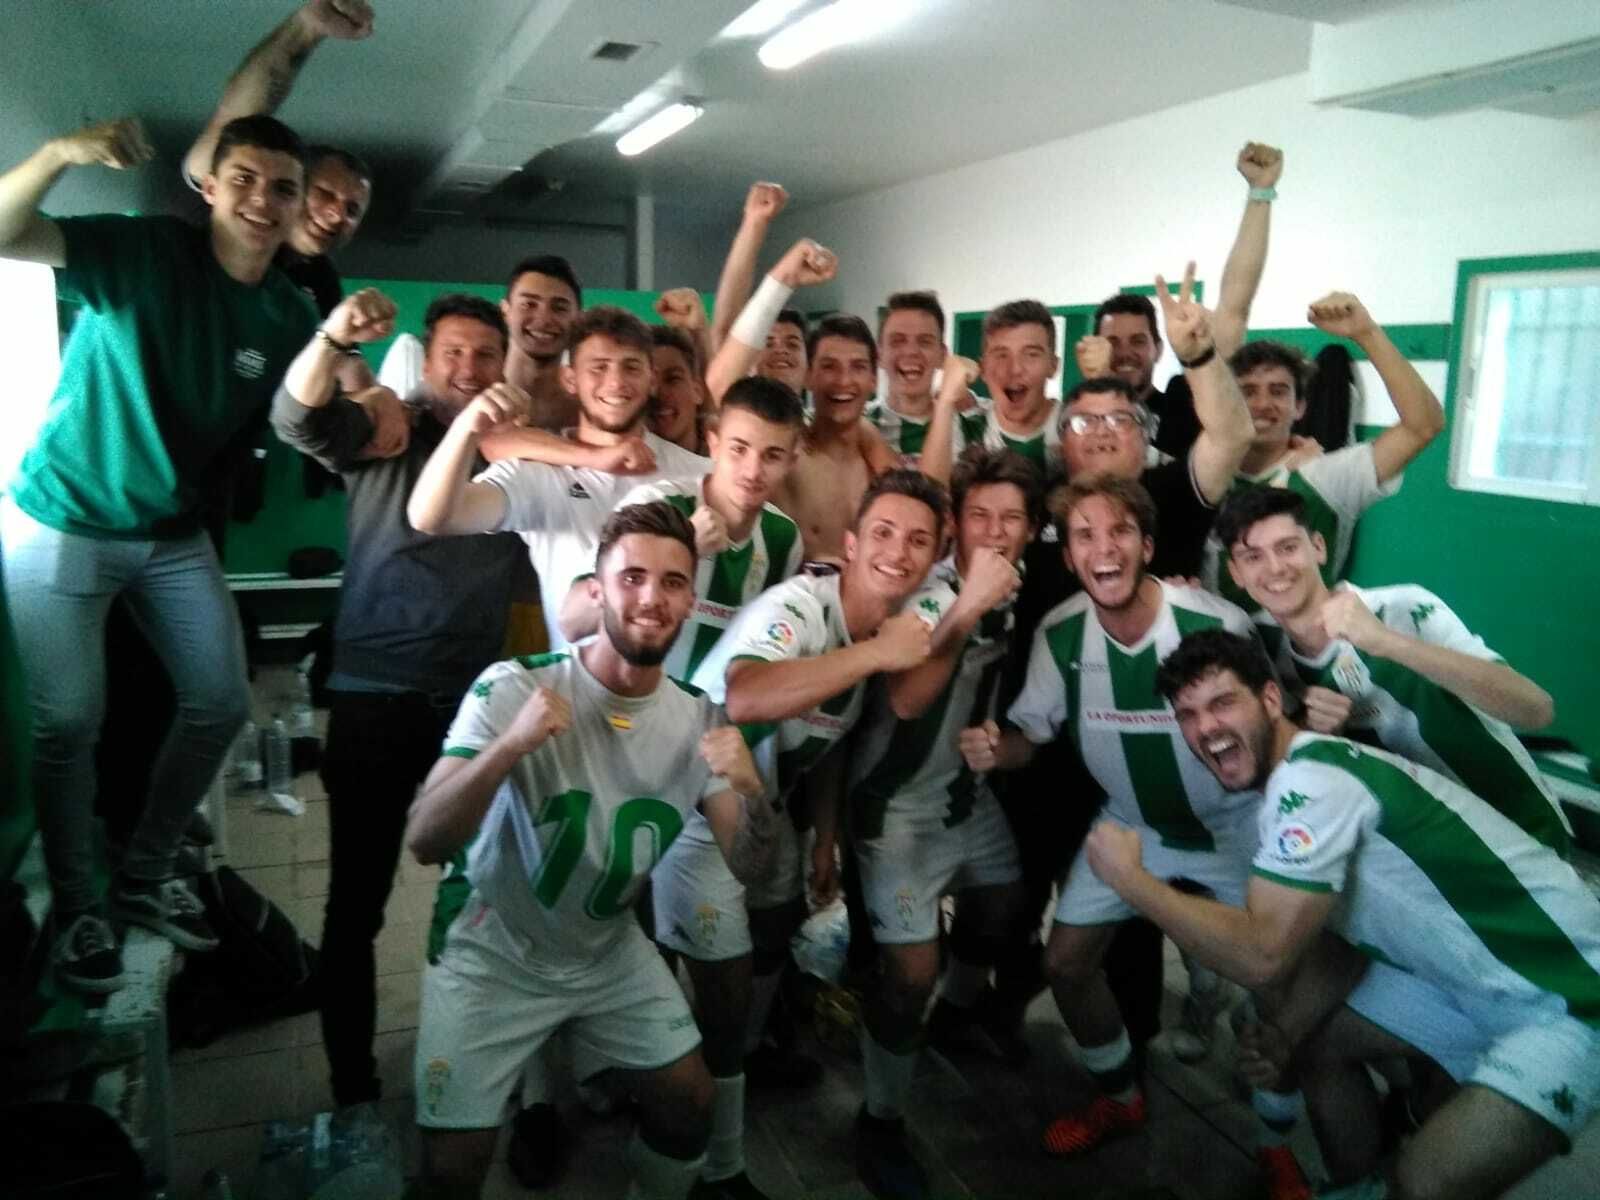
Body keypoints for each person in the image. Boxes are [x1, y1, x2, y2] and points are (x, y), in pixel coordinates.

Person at [1084, 628, 1600, 1200]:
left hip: (1572, 998)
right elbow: (1339, 948)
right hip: (1474, 989)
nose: (1206, 727)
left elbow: (1263, 952)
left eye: (1222, 702)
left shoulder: (1314, 782)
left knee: (1424, 1184)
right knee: (1315, 1042)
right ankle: (1355, 1186)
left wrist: (1132, 881)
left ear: (1272, 700)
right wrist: (1282, 1036)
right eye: (1187, 714)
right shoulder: (1297, 785)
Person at [0, 114, 318, 993]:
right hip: (62, 517)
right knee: (67, 722)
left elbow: (303, 417)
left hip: (170, 534)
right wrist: (58, 151)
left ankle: (144, 873)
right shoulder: (141, 255)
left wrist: (350, 372)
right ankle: (77, 912)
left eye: (282, 187)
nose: (263, 198)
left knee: (220, 702)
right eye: (244, 178)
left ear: (297, 209)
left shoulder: (287, 313)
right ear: (209, 185)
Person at [407, 501, 770, 1200]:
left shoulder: (700, 718)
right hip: (493, 948)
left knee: (691, 1102)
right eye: (631, 577)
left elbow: (754, 866)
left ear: (691, 600)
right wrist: (509, 747)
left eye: (671, 582)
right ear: (595, 590)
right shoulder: (513, 685)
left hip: (604, 950)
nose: (650, 598)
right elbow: (425, 840)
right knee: (448, 1174)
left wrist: (754, 794)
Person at [981, 270, 1255, 1064]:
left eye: (1117, 418)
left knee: (1135, 919)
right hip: (1046, 734)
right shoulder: (1033, 500)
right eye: (1082, 420)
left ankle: (1135, 1049)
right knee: (1021, 892)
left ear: (1145, 432)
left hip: (1150, 749)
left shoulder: (1174, 489)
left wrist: (1200, 356)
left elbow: (1229, 438)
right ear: (1060, 442)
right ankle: (1000, 1017)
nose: (1099, 430)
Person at [273, 287, 536, 1106]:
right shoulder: (386, 429)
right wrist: (333, 342)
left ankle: (505, 1072)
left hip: (474, 699)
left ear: (507, 364)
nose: (468, 368)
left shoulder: (522, 455)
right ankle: (351, 1080)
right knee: (358, 901)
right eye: (452, 352)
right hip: (373, 693)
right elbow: (293, 419)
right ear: (426, 359)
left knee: (500, 890)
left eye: (485, 354)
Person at [651, 471, 946, 1199]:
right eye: (882, 533)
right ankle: (718, 1167)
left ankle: (742, 1057)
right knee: (720, 985)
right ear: (849, 545)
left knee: (777, 928)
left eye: (918, 542)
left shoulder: (875, 629)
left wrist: (824, 842)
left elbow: (832, 734)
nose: (897, 554)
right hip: (695, 799)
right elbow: (747, 691)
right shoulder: (801, 608)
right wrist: (880, 656)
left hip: (769, 805)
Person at [966, 477, 1262, 1163]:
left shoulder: (1211, 621)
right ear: (1068, 557)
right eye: (1085, 536)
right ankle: (1120, 1098)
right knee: (1065, 965)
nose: (1104, 548)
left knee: (1276, 982)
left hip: (1235, 827)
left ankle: (1278, 1145)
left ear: (1148, 546)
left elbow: (1268, 730)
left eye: (1120, 531)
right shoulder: (1060, 631)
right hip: (1132, 827)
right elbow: (1030, 737)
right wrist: (993, 748)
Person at [848, 447, 1036, 1200]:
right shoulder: (930, 592)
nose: (995, 533)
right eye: (979, 517)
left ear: (1032, 530)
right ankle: (879, 1115)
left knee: (1005, 906)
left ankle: (956, 1016)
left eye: (1012, 519)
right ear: (955, 527)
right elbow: (904, 701)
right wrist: (970, 604)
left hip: (964, 795)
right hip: (892, 807)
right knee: (908, 975)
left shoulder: (1022, 590)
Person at [1215, 486, 1565, 851]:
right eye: (1253, 556)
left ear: (1318, 547)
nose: (1275, 568)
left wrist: (1384, 641)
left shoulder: (1403, 607)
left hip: (1524, 834)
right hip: (1423, 858)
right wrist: (1317, 734)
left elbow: (1536, 709)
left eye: (1288, 547)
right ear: (1236, 573)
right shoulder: (1262, 647)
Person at [406, 305, 709, 652]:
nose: (616, 382)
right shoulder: (535, 474)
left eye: (631, 367)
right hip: (572, 691)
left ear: (651, 378)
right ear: (570, 379)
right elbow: (431, 517)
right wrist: (466, 429)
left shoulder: (700, 475)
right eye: (598, 367)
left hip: (679, 698)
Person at [1204, 293, 1446, 612]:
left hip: (1307, 652)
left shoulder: (1326, 476)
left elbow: (1423, 425)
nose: (1263, 403)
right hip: (1216, 650)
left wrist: (1367, 333)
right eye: (1247, 391)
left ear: (1300, 406)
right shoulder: (1200, 476)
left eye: (1278, 391)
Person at [561, 376, 806, 684]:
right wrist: (682, 552)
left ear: (792, 461)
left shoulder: (783, 538)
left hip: (705, 725)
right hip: (623, 708)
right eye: (739, 449)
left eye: (772, 455)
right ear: (713, 443)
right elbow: (571, 622)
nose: (753, 471)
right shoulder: (656, 505)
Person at [184, 0, 376, 320]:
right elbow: (237, 117)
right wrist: (306, 29)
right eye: (325, 193)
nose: (335, 214)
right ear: (291, 188)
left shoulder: (323, 281)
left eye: (352, 209)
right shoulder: (223, 220)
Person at [1088, 141, 1282, 458]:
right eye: (1113, 341)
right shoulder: (1074, 418)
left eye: (1137, 341)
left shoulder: (1185, 402)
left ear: (1158, 348)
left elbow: (1234, 309)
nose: (1125, 353)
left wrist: (1260, 193)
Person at [866, 291, 978, 467]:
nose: (911, 351)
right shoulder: (859, 425)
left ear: (942, 356)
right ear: (879, 355)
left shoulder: (974, 427)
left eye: (924, 342)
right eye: (897, 341)